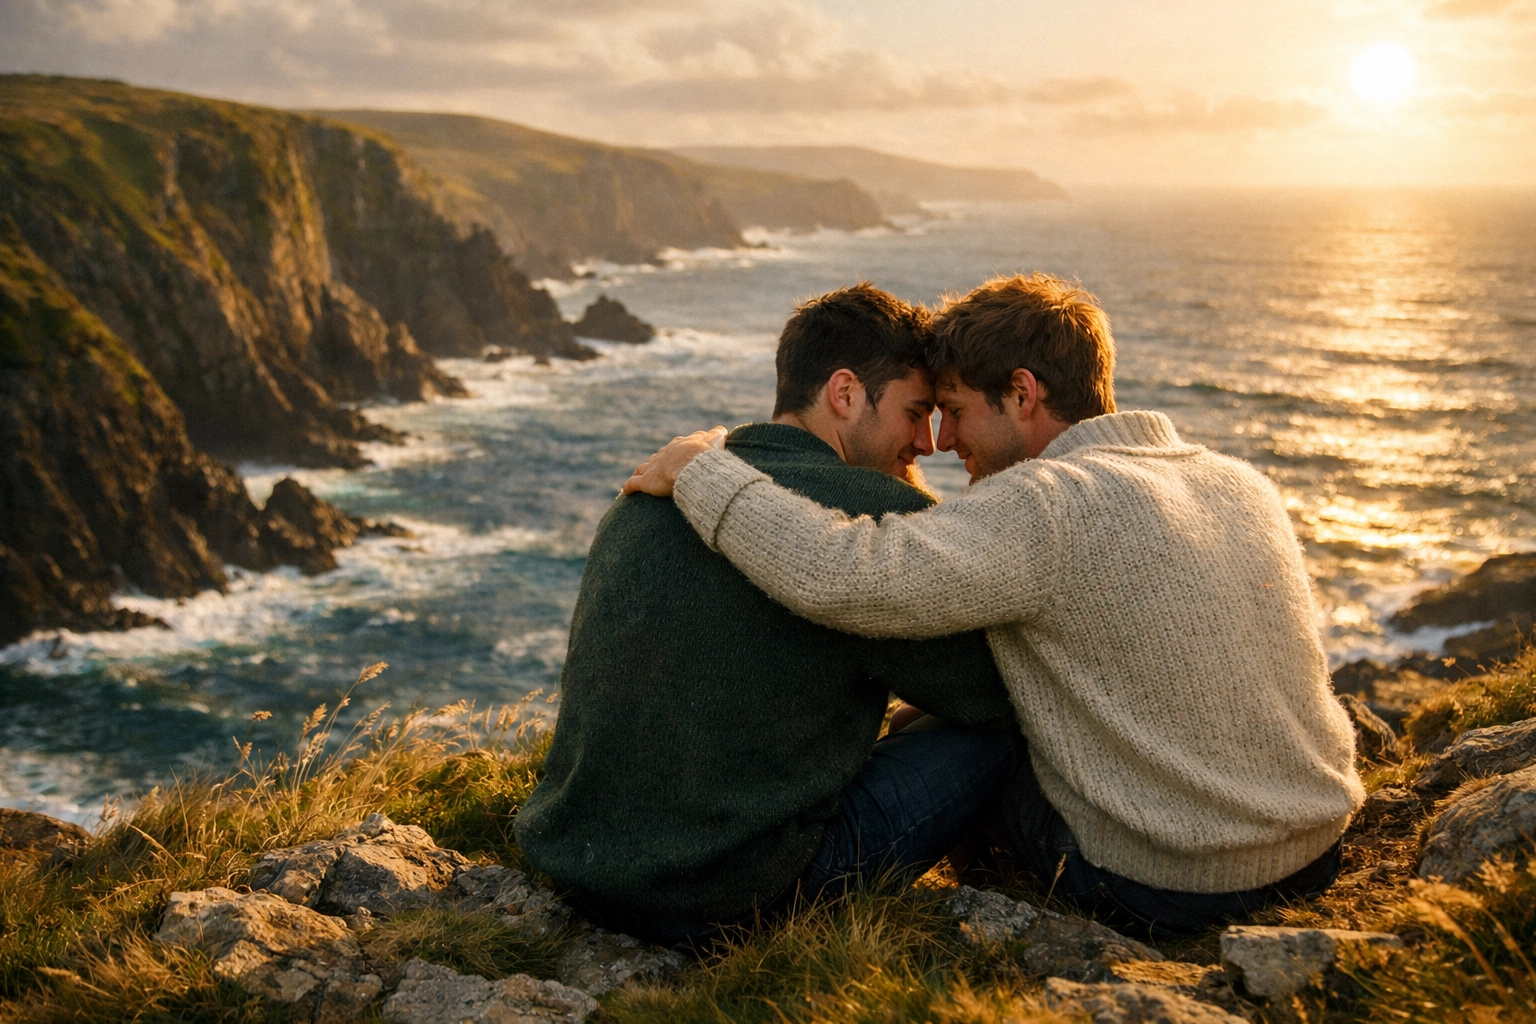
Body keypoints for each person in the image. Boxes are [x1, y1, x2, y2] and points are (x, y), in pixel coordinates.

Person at [622, 272, 1365, 937]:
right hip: (1312, 847)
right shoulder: (1238, 483)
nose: (942, 441)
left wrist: (708, 476)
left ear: (1023, 392)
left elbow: (846, 573)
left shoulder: (1046, 504)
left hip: (1173, 886)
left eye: (953, 410)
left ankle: (1003, 918)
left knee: (982, 738)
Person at [515, 283, 1019, 949]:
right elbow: (991, 694)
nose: (926, 444)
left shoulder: (650, 489)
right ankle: (1036, 879)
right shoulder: (876, 511)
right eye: (914, 412)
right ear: (844, 394)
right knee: (1007, 727)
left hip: (580, 869)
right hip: (730, 898)